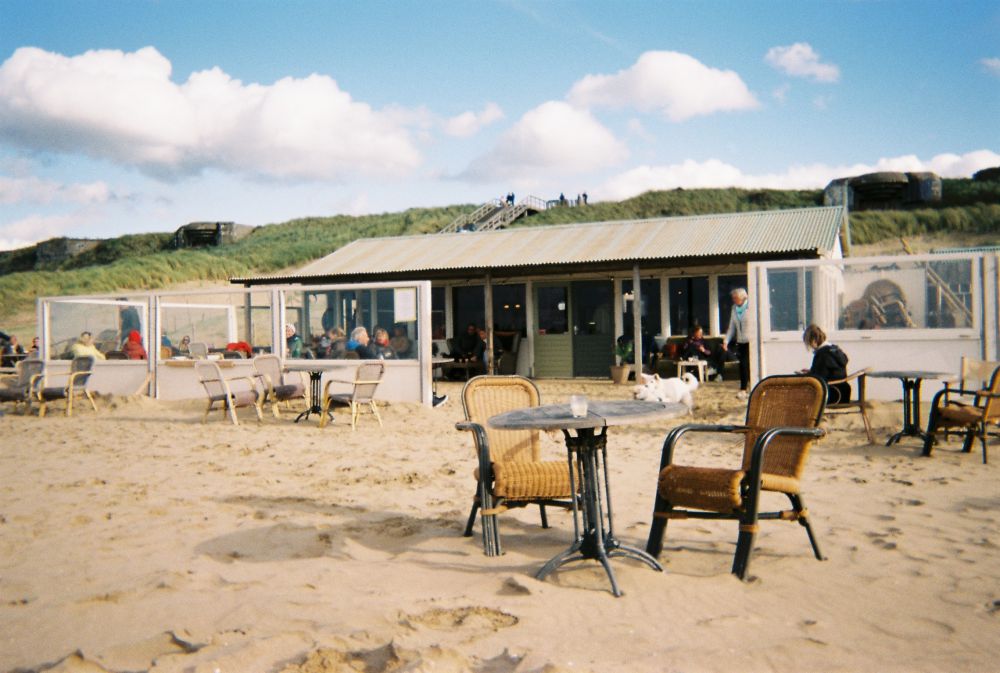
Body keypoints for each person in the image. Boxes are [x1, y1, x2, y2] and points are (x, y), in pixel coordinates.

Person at [799, 324, 851, 404]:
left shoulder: (823, 355)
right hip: (843, 393)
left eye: (809, 343)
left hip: (833, 395)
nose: (810, 347)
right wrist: (811, 371)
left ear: (814, 340)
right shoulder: (834, 350)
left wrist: (807, 374)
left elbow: (819, 379)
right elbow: (829, 371)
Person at [722, 287, 752, 399]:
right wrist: (726, 341)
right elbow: (732, 327)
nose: (734, 300)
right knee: (743, 365)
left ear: (743, 297)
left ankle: (754, 387)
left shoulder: (751, 307)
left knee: (751, 365)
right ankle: (743, 389)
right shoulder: (734, 308)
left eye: (735, 298)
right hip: (741, 341)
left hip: (752, 341)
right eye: (733, 298)